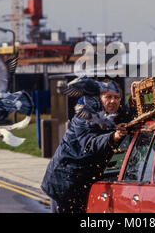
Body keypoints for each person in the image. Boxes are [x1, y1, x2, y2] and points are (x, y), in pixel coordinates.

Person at [41, 79, 133, 213]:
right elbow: (89, 143)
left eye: (117, 97)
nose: (113, 101)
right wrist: (113, 136)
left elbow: (132, 115)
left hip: (85, 182)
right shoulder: (84, 116)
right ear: (99, 98)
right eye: (108, 97)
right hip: (64, 181)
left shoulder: (116, 114)